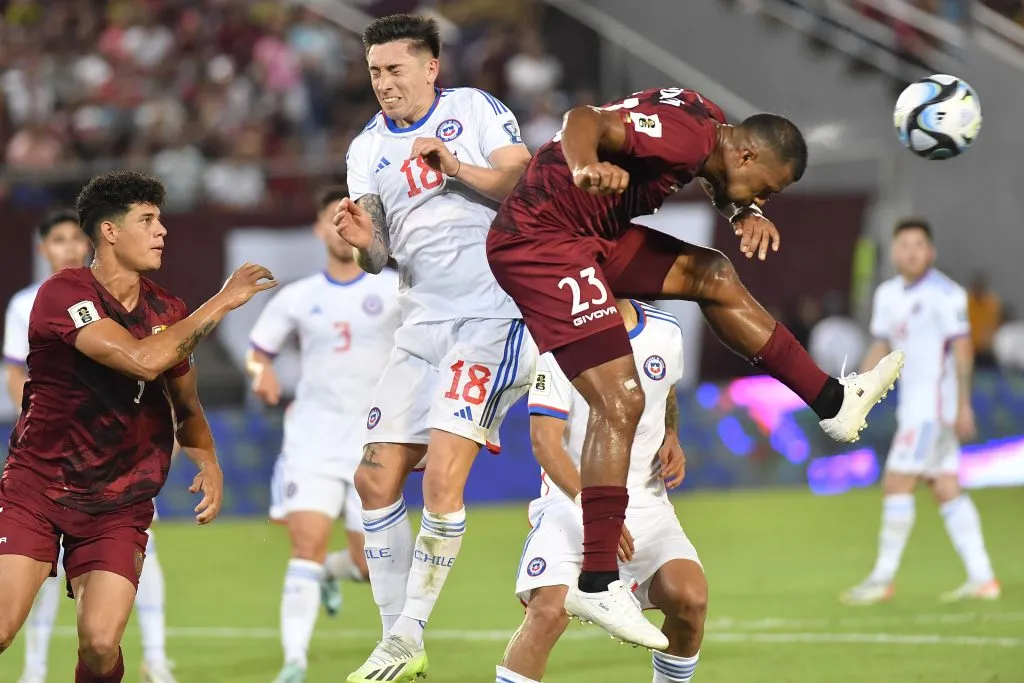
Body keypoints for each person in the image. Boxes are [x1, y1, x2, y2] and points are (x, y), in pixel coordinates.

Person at [487, 87, 905, 648]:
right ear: (748, 156)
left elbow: (712, 174)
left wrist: (741, 208)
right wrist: (585, 165)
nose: (766, 200)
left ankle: (833, 402)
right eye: (767, 189)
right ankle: (597, 580)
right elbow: (584, 118)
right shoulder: (686, 136)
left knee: (712, 274)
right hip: (541, 242)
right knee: (623, 400)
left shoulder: (705, 121)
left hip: (589, 237)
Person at [0, 171, 276, 683]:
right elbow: (141, 360)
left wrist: (209, 461)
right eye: (147, 220)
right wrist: (221, 300)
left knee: (102, 645)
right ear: (109, 232)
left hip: (119, 502)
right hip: (38, 488)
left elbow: (186, 404)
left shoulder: (166, 310)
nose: (161, 231)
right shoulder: (64, 293)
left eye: (161, 220)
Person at [333, 14, 534, 683]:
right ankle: (400, 641)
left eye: (394, 70)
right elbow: (379, 256)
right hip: (420, 323)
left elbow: (522, 181)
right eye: (374, 73)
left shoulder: (472, 109)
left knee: (444, 478)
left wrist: (454, 167)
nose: (383, 84)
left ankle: (406, 635)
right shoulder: (365, 150)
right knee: (373, 476)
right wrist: (363, 240)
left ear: (430, 68)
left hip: (492, 314)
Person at [2, 210, 179, 683]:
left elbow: (171, 384)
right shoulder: (37, 300)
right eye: (55, 239)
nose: (66, 248)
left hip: (119, 478)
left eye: (70, 238)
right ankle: (34, 670)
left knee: (102, 639)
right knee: (9, 614)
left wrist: (192, 447)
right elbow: (19, 373)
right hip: (46, 473)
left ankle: (157, 656)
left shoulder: (159, 307)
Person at [498, 299, 704, 683]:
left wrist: (670, 434)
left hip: (647, 504)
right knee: (547, 613)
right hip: (571, 503)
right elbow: (545, 443)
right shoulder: (560, 336)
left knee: (690, 597)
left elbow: (667, 390)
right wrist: (598, 515)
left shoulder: (665, 329)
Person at [246, 187, 401, 683]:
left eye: (350, 217)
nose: (340, 227)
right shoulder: (297, 297)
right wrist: (260, 375)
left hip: (374, 442)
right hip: (311, 439)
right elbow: (258, 351)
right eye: (331, 219)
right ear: (318, 229)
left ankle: (339, 571)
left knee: (368, 564)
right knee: (304, 546)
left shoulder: (397, 288)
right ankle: (294, 663)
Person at [841, 219, 999, 605]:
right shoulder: (887, 294)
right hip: (915, 407)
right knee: (945, 487)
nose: (911, 251)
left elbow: (963, 354)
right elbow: (881, 343)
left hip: (934, 410)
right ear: (894, 252)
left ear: (931, 252)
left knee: (896, 483)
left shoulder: (947, 294)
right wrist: (855, 389)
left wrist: (963, 406)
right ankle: (983, 578)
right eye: (904, 245)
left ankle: (882, 579)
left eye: (919, 245)